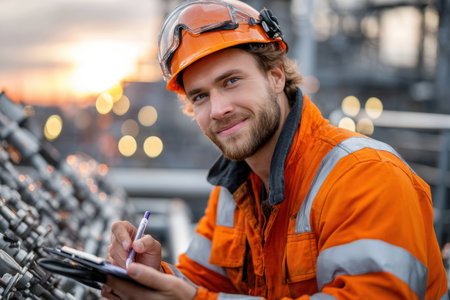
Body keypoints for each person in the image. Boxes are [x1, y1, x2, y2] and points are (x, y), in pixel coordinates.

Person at [102, 0, 449, 299]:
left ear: (276, 76)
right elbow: (203, 283)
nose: (218, 108)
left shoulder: (366, 177)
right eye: (200, 96)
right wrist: (154, 278)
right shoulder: (234, 190)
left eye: (231, 81)